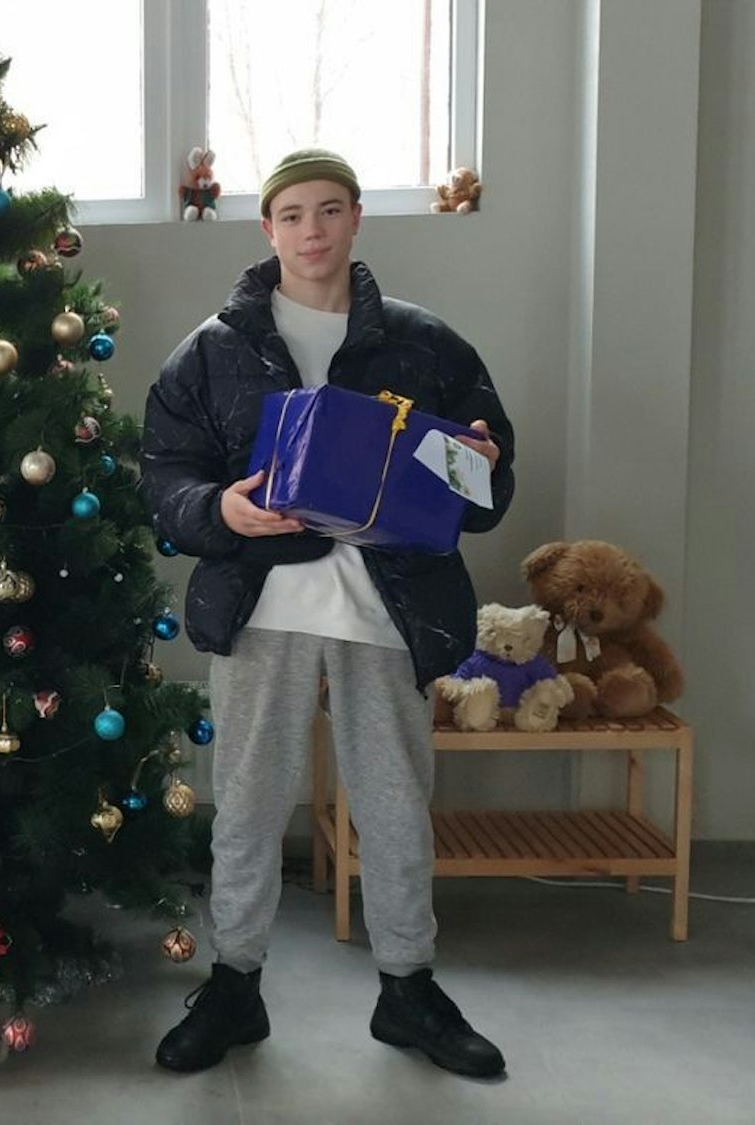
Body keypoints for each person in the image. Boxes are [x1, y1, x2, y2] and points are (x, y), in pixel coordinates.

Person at [141, 148, 515, 1078]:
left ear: (355, 220)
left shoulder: (427, 345)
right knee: (250, 803)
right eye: (293, 214)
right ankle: (234, 983)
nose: (312, 230)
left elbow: (487, 480)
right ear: (268, 230)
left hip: (388, 610)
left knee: (394, 804)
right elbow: (163, 478)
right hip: (261, 607)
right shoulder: (213, 349)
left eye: (330, 210)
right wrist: (219, 509)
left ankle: (409, 989)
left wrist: (478, 457)